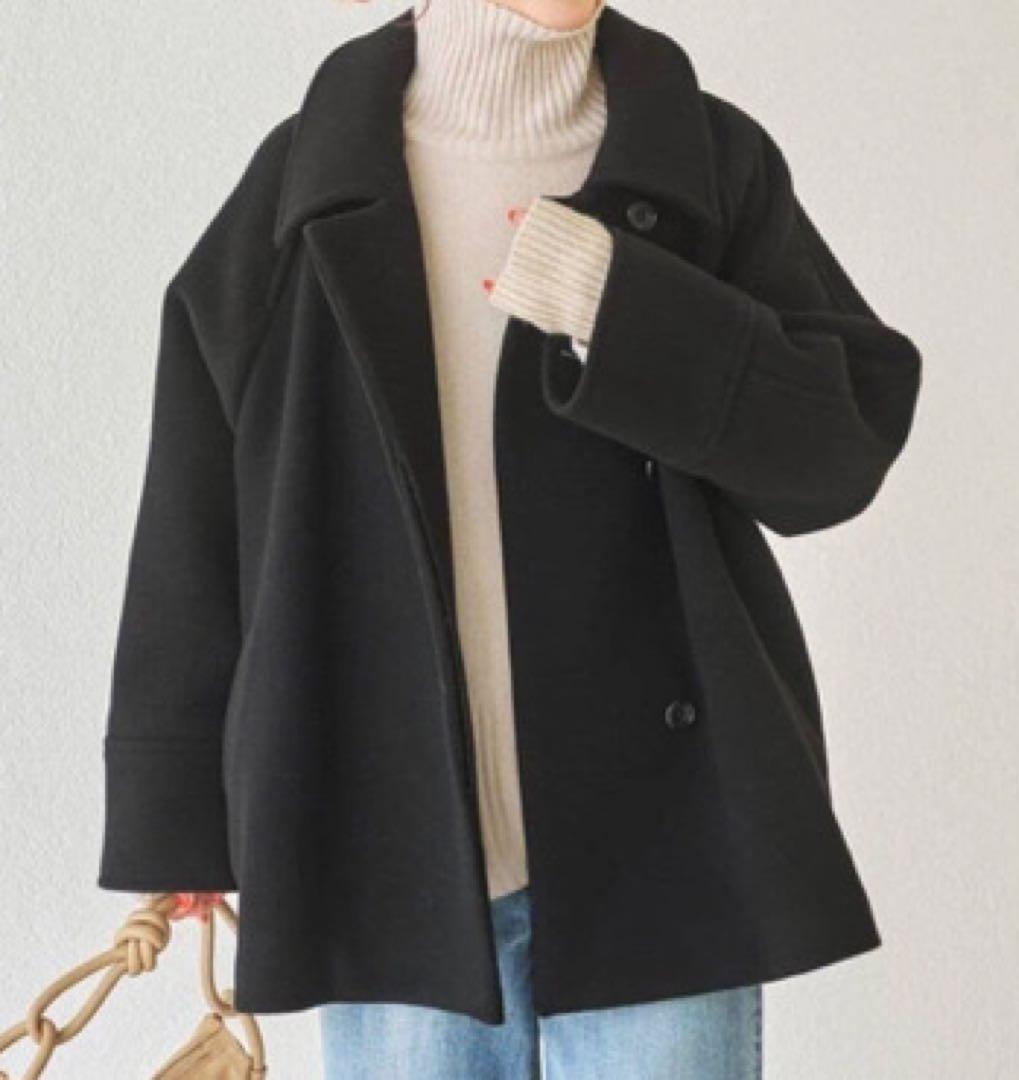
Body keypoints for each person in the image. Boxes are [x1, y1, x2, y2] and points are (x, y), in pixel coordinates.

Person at [100, 0, 922, 1076]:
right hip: (388, 846)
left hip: (663, 848)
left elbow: (838, 448)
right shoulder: (307, 178)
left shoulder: (702, 159)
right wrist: (174, 815)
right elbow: (196, 511)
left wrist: (616, 305)